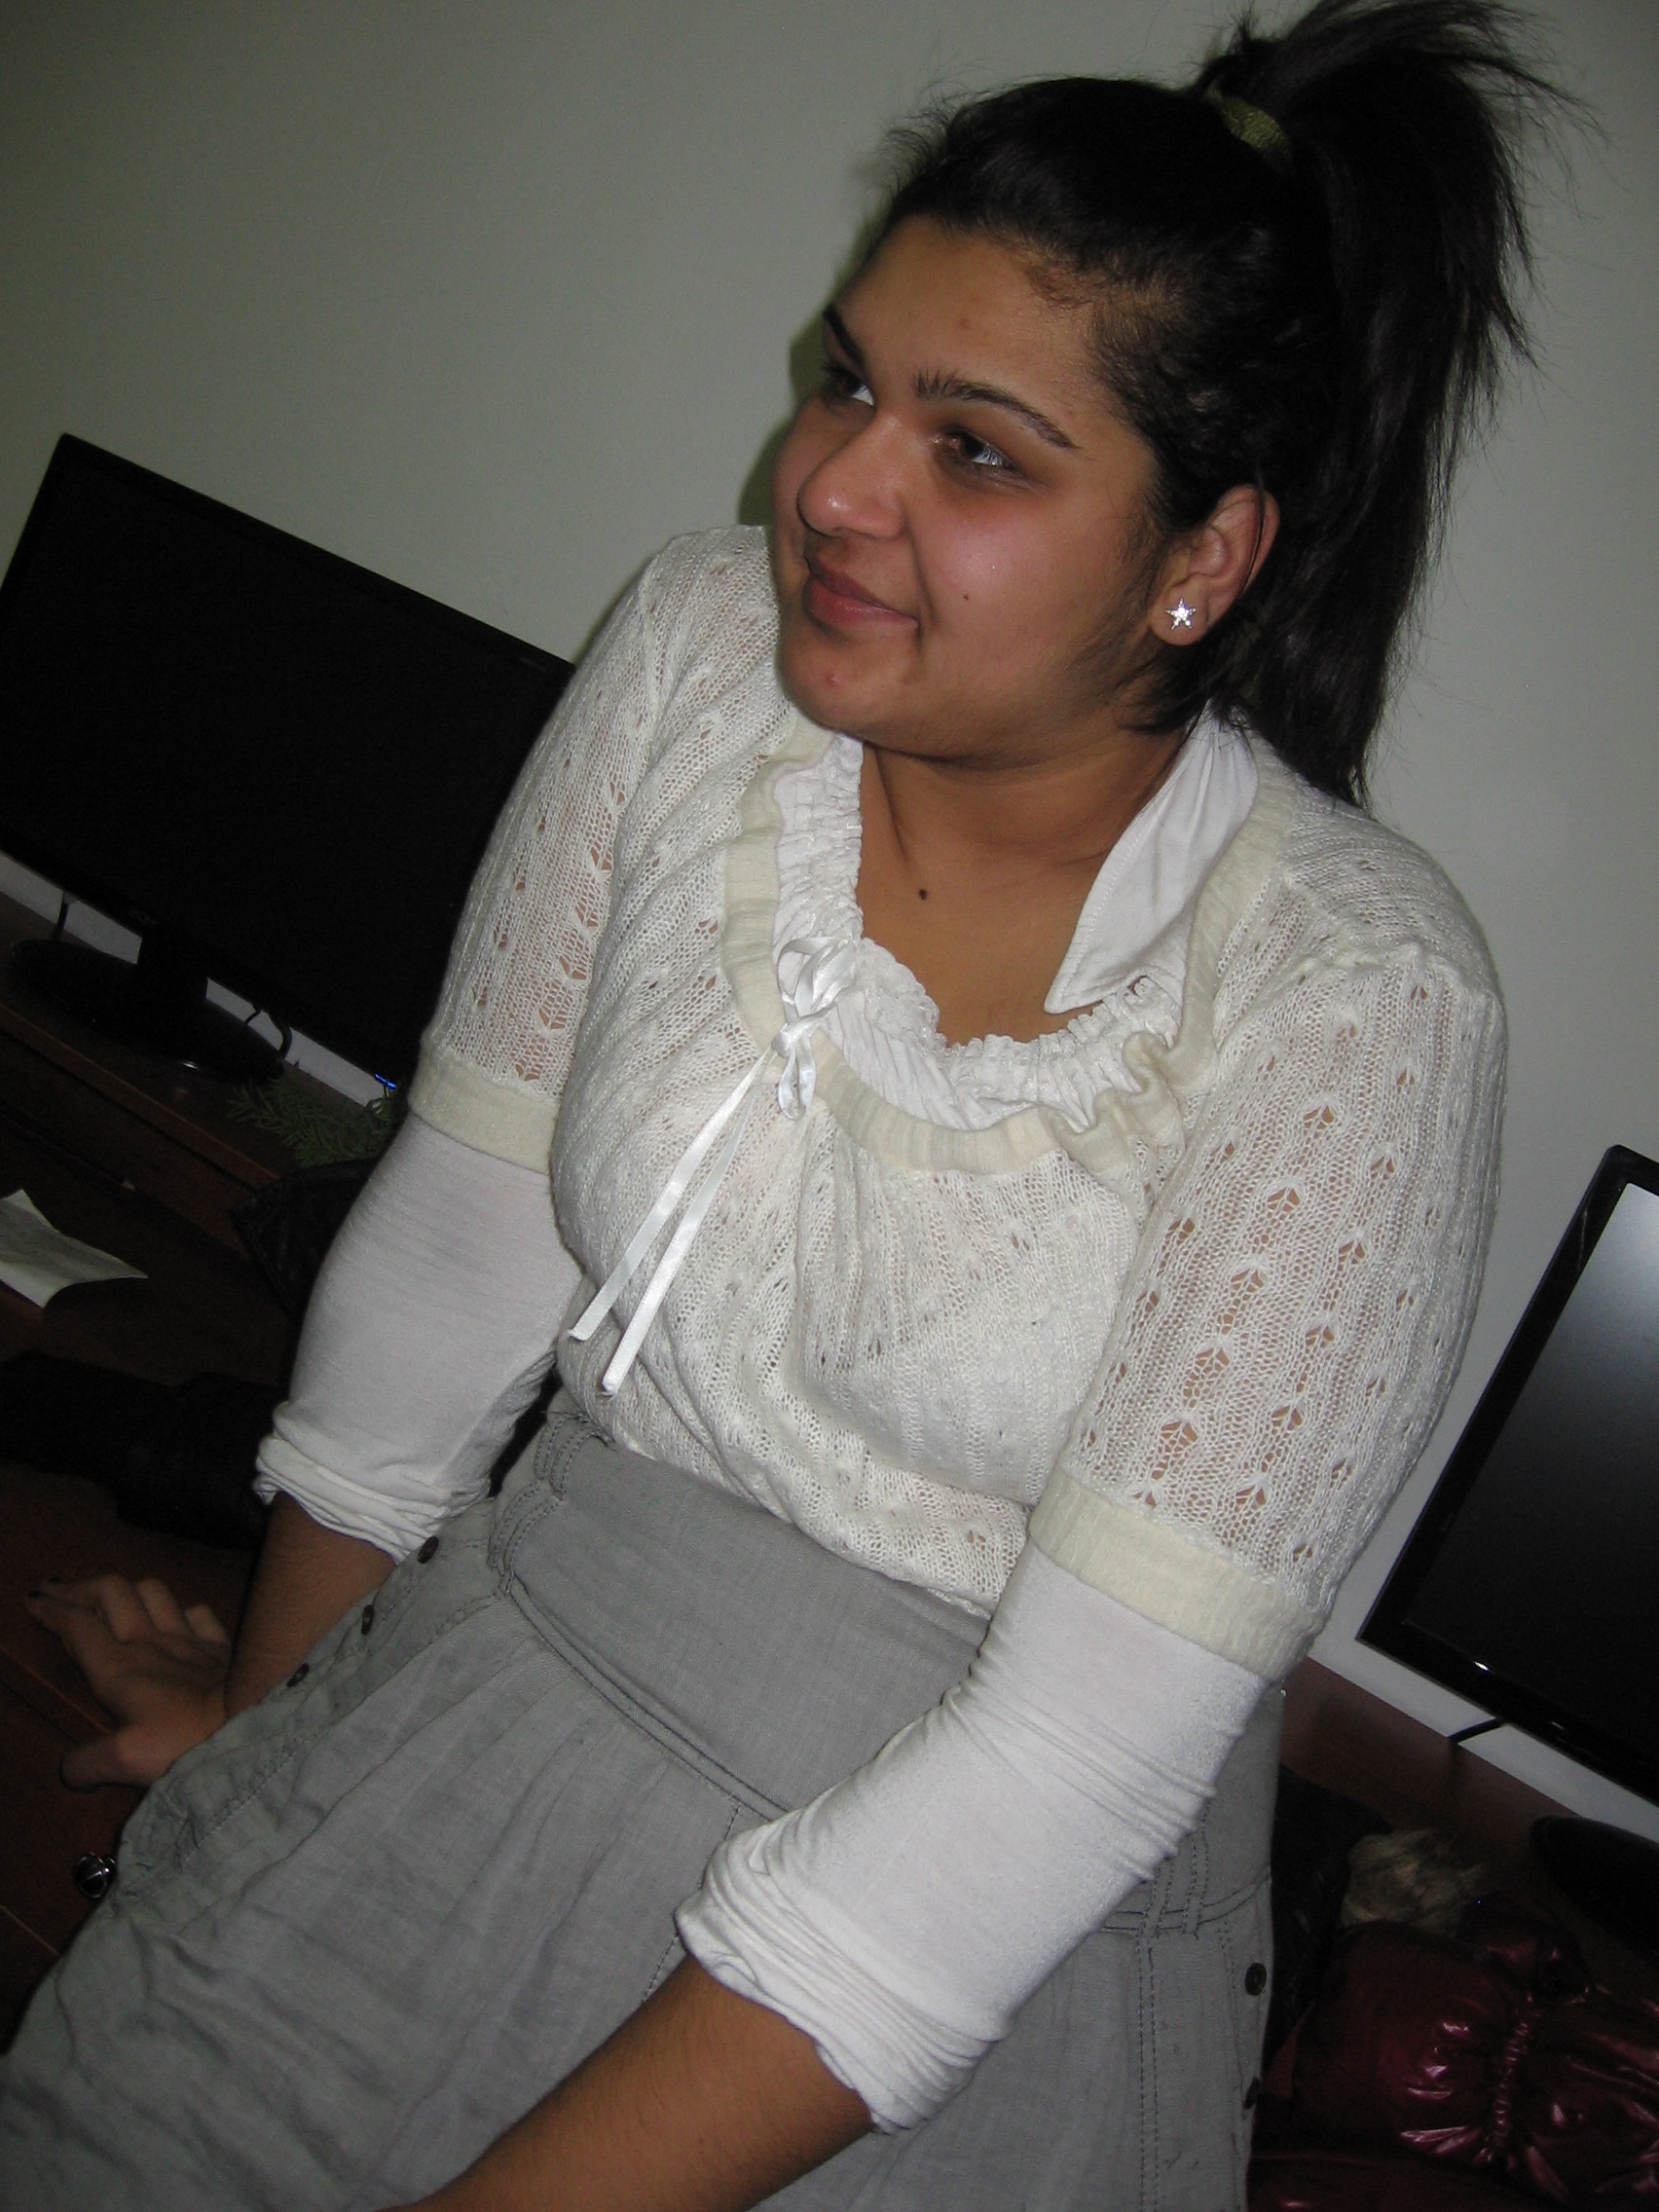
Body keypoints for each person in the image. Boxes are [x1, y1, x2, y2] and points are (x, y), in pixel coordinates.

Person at [1, 2, 1563, 2205]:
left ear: (1205, 555)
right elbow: (451, 1266)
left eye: (978, 450)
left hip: (937, 1968)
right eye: (850, 381)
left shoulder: (1357, 996)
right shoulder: (693, 656)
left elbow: (1070, 1760)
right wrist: (277, 1756)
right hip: (497, 1687)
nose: (828, 484)